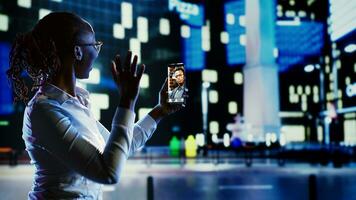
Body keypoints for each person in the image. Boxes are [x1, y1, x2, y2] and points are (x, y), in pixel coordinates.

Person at [6, 12, 182, 199]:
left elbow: (120, 148)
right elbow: (107, 173)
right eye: (94, 45)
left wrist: (160, 110)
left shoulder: (77, 103)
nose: (97, 53)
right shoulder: (43, 110)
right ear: (77, 51)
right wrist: (127, 101)